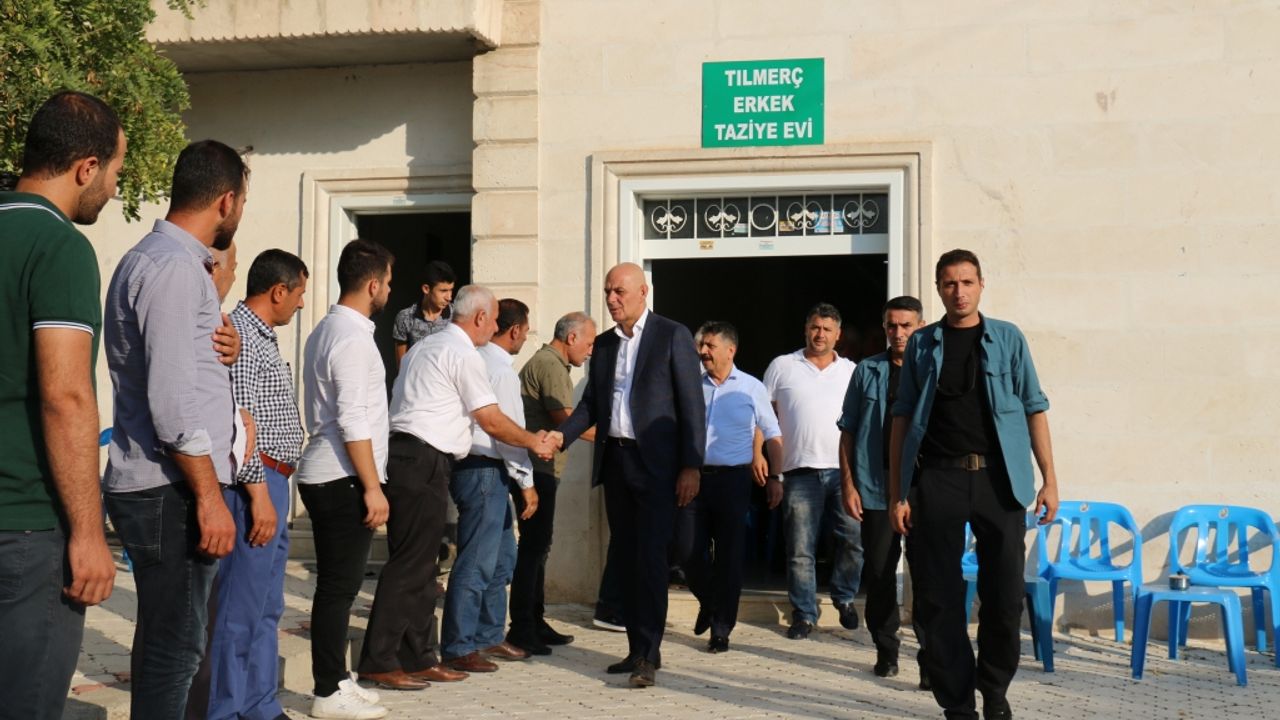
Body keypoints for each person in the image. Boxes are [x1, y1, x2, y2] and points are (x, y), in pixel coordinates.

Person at [103, 139, 248, 718]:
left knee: (168, 642)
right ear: (226, 200)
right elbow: (172, 405)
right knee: (176, 651)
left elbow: (178, 364)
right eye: (243, 203)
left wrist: (223, 347)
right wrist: (209, 498)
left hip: (168, 484)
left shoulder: (173, 264)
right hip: (170, 488)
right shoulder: (172, 267)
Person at [889, 249, 1060, 720]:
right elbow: (902, 417)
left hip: (999, 480)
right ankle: (958, 704)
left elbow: (1034, 406)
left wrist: (1049, 480)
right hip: (937, 478)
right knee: (938, 599)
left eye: (967, 282)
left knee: (1004, 596)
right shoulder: (922, 344)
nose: (958, 292)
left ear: (981, 284)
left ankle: (995, 690)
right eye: (949, 283)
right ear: (938, 289)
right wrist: (899, 492)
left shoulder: (1007, 338)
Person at [357, 285, 557, 689]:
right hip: (423, 458)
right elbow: (491, 419)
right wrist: (533, 441)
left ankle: (418, 656)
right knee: (410, 566)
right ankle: (379, 660)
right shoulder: (462, 353)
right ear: (480, 318)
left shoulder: (424, 347)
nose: (496, 327)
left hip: (412, 457)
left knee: (421, 566)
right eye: (494, 319)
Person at [0, 90, 123, 720]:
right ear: (85, 167)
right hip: (24, 527)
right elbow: (66, 395)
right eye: (115, 172)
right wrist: (88, 532)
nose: (114, 190)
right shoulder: (59, 246)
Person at [558, 262, 705, 688]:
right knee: (625, 559)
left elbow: (692, 405)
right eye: (607, 291)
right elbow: (590, 405)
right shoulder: (605, 344)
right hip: (617, 463)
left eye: (619, 291)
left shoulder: (672, 335)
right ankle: (634, 648)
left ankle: (648, 655)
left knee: (651, 560)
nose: (611, 299)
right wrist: (560, 437)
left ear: (643, 292)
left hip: (657, 467)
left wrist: (691, 465)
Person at [200, 249, 310, 720]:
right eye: (299, 293)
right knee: (238, 612)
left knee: (266, 606)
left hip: (275, 480)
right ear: (279, 291)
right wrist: (258, 494)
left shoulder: (261, 336)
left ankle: (260, 703)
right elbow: (240, 426)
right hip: (255, 484)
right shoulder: (241, 334)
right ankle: (224, 710)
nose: (301, 303)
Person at [294, 239, 394, 720]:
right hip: (342, 476)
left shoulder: (329, 328)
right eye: (389, 281)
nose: (390, 289)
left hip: (333, 472)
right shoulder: (350, 338)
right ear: (373, 284)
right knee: (338, 588)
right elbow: (353, 420)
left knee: (339, 586)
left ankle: (336, 679)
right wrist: (372, 487)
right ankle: (327, 691)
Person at [441, 298, 540, 671]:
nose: (524, 339)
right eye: (525, 332)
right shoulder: (499, 370)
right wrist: (526, 482)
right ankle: (459, 645)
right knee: (477, 562)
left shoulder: (479, 359)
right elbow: (507, 431)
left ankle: (487, 634)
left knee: (501, 558)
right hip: (482, 468)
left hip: (483, 470)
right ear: (514, 331)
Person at [674, 321, 782, 654]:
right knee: (685, 549)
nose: (703, 351)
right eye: (701, 345)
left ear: (730, 350)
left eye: (710, 345)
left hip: (733, 481)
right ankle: (709, 601)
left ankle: (721, 629)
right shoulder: (690, 385)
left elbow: (772, 432)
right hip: (693, 477)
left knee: (730, 557)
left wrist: (776, 477)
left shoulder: (751, 388)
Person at [837, 295, 927, 683]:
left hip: (924, 487)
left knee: (927, 575)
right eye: (892, 325)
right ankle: (886, 649)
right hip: (875, 485)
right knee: (878, 571)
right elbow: (848, 430)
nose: (898, 332)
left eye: (906, 325)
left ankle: (931, 658)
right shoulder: (867, 371)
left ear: (921, 327)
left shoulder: (934, 369)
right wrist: (848, 485)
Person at [763, 303, 860, 640]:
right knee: (800, 549)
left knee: (852, 539)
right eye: (815, 327)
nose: (820, 334)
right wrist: (766, 465)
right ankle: (804, 614)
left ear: (838, 334)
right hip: (798, 471)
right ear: (806, 329)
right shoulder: (782, 366)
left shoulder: (851, 371)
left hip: (843, 472)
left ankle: (844, 597)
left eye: (827, 329)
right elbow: (763, 417)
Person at [507, 311, 597, 655]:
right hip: (537, 471)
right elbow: (568, 421)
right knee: (533, 548)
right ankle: (522, 628)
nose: (590, 351)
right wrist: (617, 437)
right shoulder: (550, 365)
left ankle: (535, 621)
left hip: (543, 470)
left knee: (540, 547)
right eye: (589, 343)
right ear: (571, 338)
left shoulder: (551, 364)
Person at [392, 259, 455, 367]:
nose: (449, 297)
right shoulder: (406, 318)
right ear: (426, 289)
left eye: (451, 290)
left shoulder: (458, 316)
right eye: (443, 291)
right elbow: (402, 366)